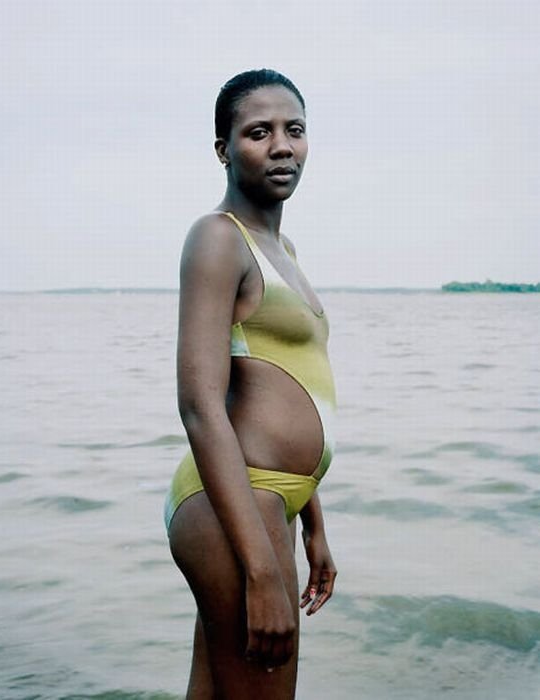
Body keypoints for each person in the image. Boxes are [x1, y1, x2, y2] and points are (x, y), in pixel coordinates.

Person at [164, 68, 337, 700]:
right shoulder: (217, 239)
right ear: (224, 150)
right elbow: (202, 405)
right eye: (258, 132)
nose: (282, 146)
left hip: (273, 502)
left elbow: (276, 389)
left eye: (294, 130)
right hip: (235, 505)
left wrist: (313, 521)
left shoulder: (279, 244)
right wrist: (263, 571)